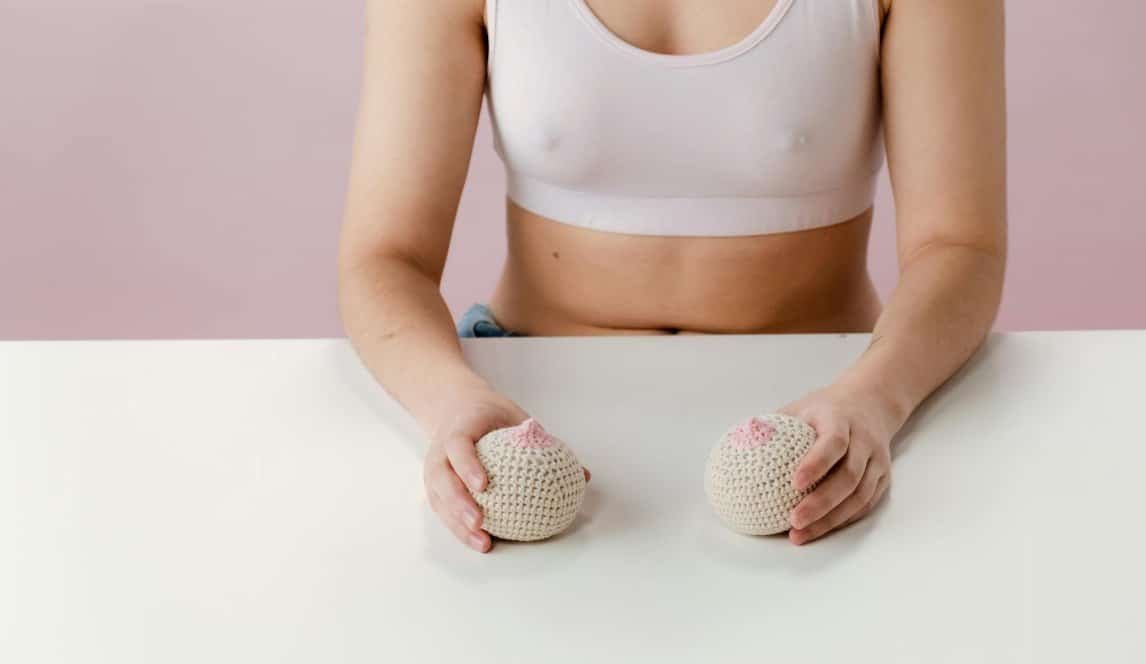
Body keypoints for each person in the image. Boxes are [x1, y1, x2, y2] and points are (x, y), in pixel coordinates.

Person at [336, 0, 1007, 553]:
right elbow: (386, 256)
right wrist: (450, 402)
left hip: (824, 419)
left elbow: (960, 246)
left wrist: (874, 400)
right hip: (532, 416)